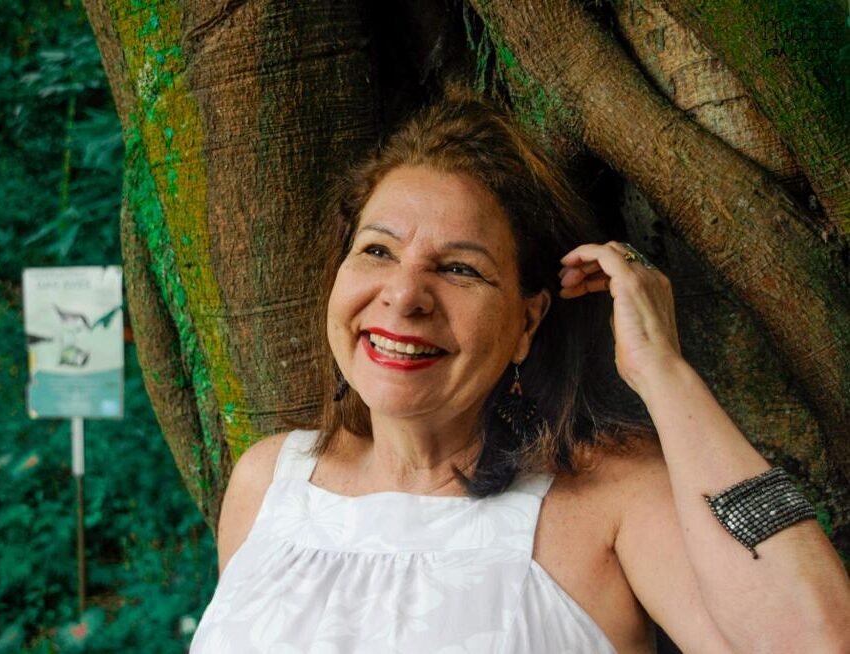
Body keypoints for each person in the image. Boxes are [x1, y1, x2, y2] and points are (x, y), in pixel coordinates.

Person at [189, 93, 850, 653]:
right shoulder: (267, 483)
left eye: (459, 268)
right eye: (378, 251)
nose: (404, 295)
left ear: (527, 321)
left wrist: (662, 370)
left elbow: (812, 643)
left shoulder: (608, 500)